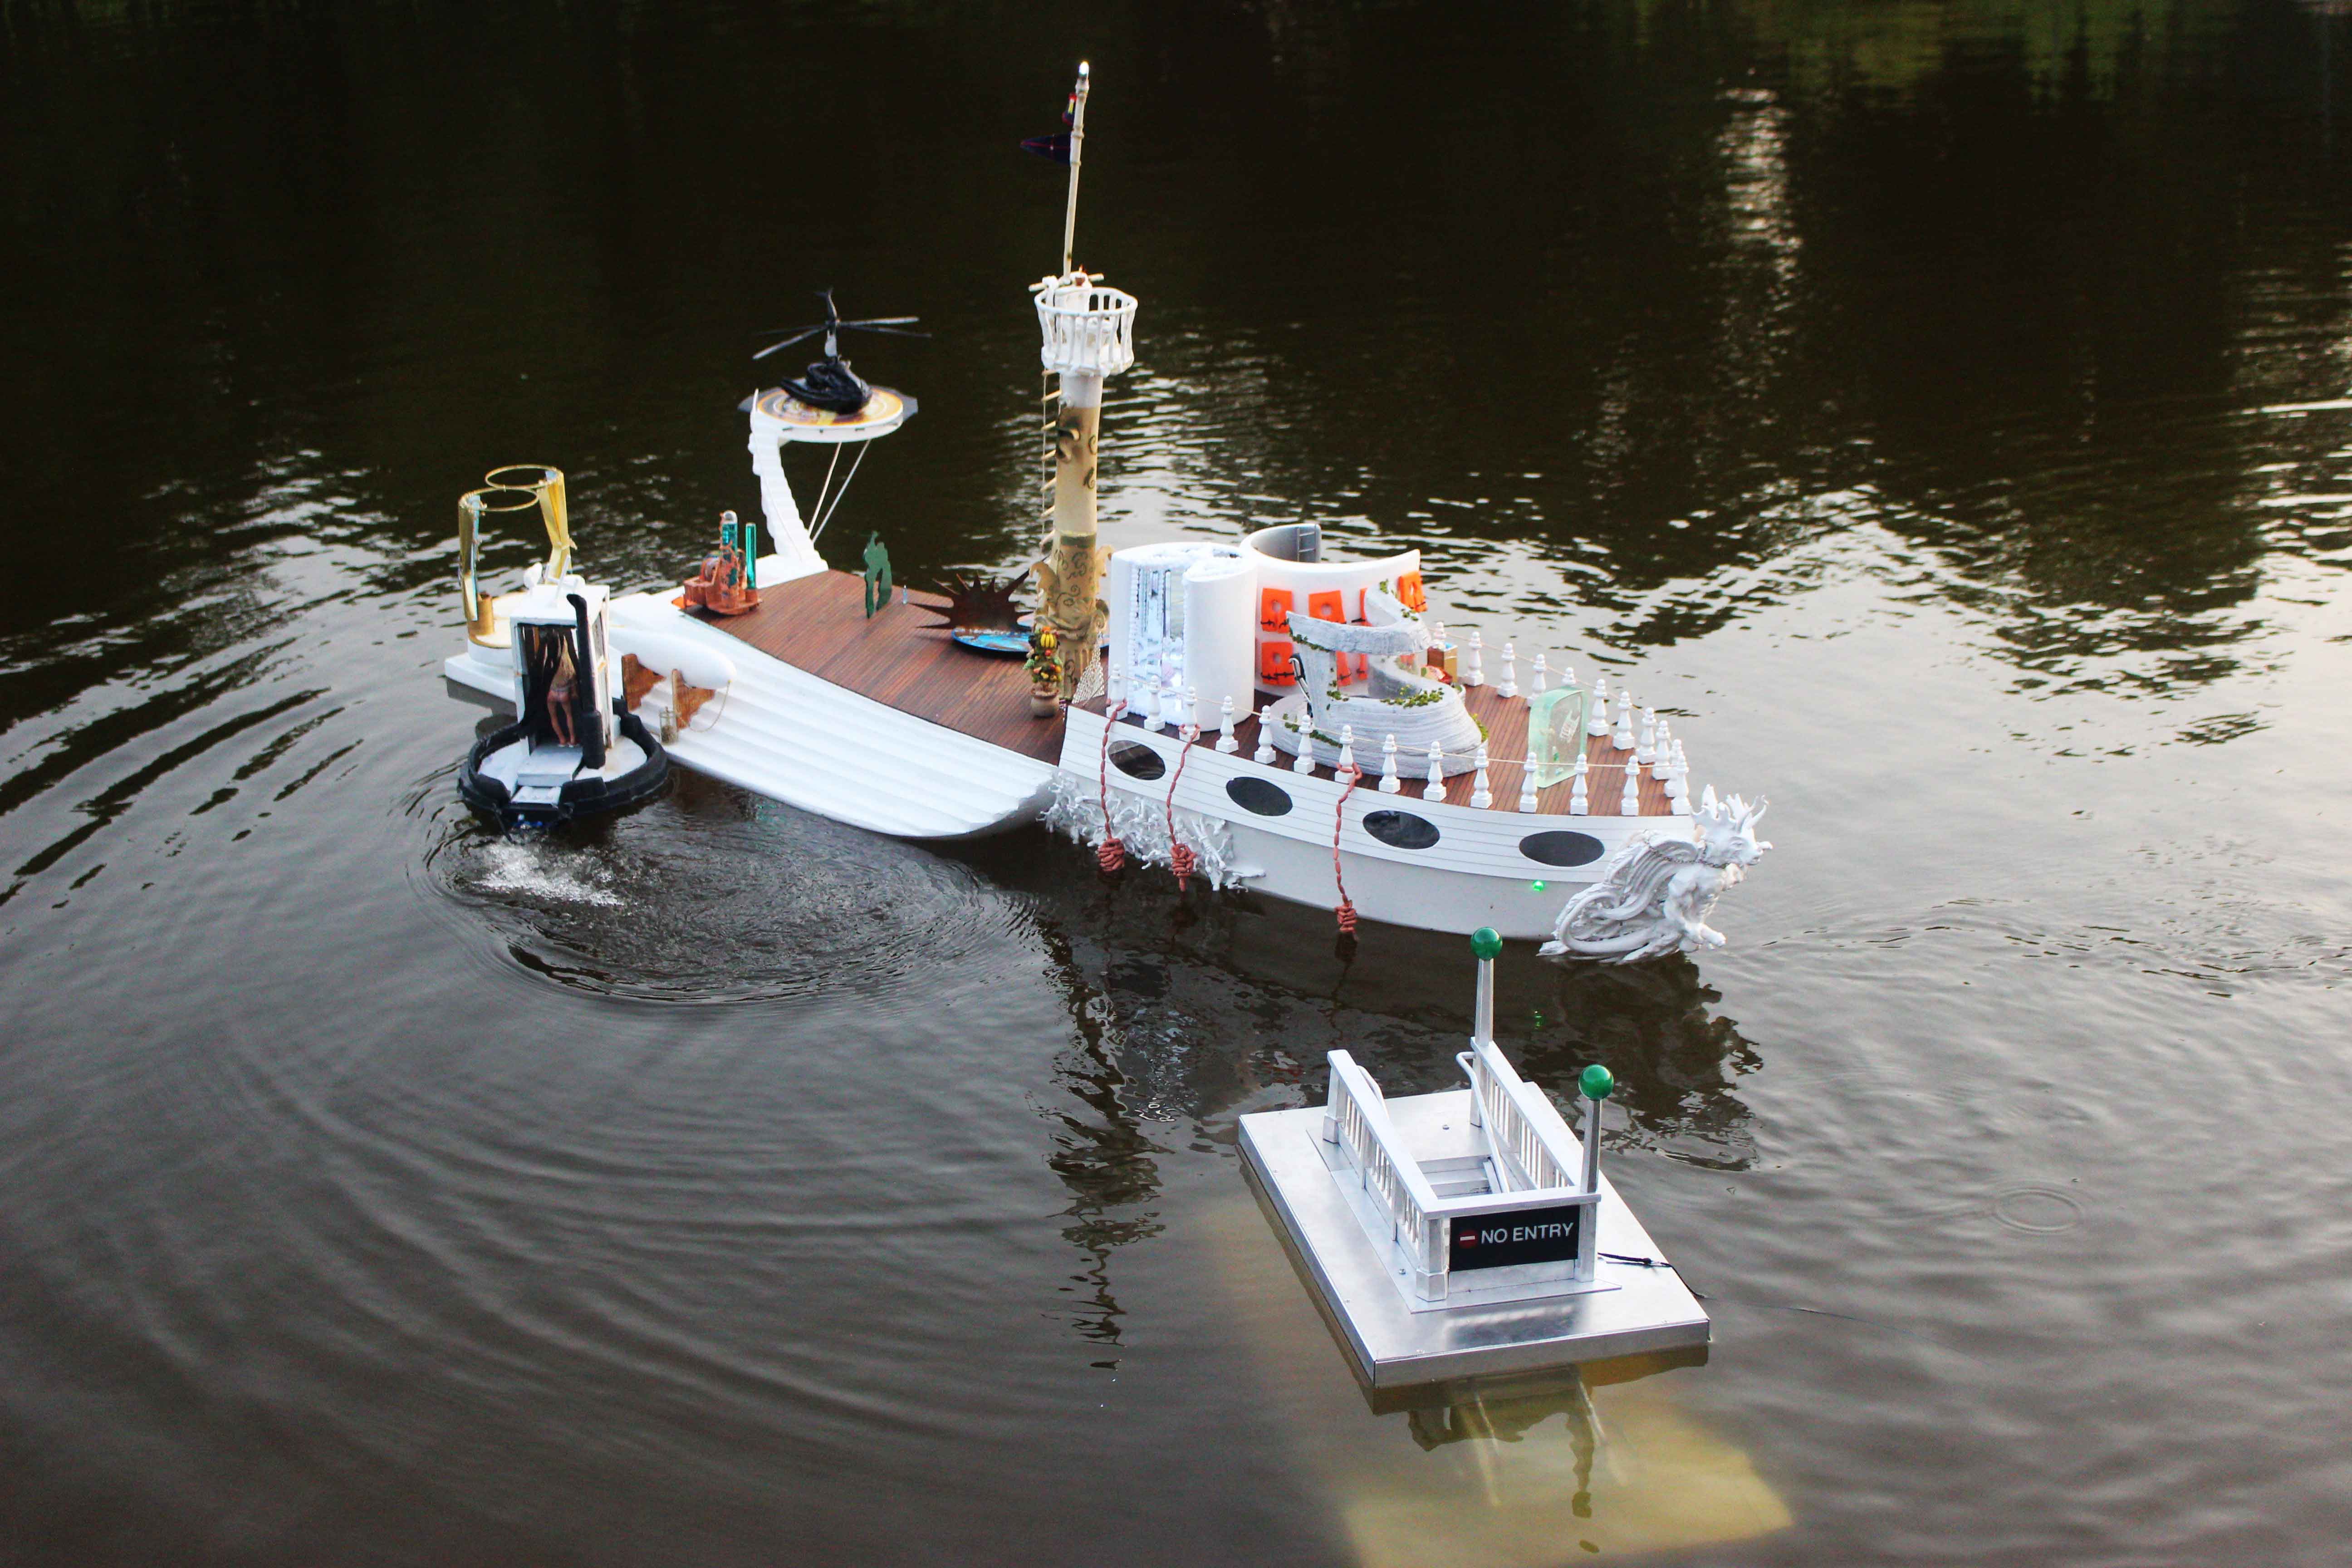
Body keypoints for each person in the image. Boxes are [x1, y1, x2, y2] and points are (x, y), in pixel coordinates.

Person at [546, 639, 578, 748]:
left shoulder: (550, 662)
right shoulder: (568, 664)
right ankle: (572, 740)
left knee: (553, 717)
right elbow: (573, 680)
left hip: (552, 692)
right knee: (569, 715)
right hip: (564, 692)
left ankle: (562, 740)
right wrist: (574, 692)